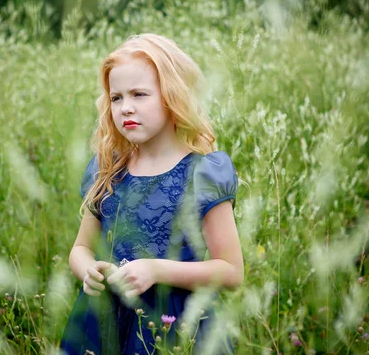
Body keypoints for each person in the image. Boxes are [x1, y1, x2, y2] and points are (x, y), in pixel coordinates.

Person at [59, 33, 244, 355]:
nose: (126, 108)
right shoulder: (108, 170)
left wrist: (157, 270)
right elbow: (80, 248)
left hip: (177, 326)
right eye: (116, 98)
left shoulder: (204, 175)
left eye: (139, 94)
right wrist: (87, 270)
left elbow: (230, 271)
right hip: (104, 323)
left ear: (172, 97)